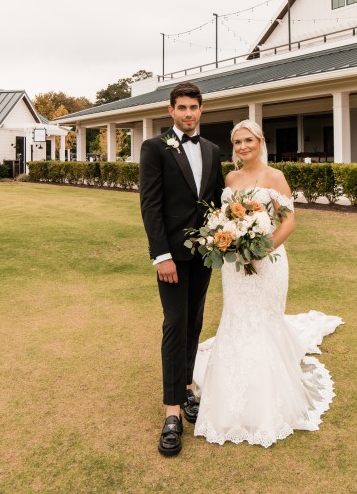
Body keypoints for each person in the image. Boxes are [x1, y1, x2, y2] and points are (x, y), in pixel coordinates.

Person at [193, 119, 343, 447]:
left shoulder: (275, 177)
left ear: (261, 141)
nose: (243, 146)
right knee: (236, 319)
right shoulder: (230, 178)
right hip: (234, 266)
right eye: (237, 142)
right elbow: (224, 219)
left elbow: (288, 221)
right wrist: (230, 242)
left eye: (249, 140)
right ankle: (232, 394)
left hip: (268, 263)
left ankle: (268, 399)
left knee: (264, 321)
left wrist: (261, 249)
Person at [139, 81, 224, 456]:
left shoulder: (212, 150)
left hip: (204, 255)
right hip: (171, 256)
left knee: (194, 322)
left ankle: (187, 387)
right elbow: (150, 204)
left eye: (194, 107)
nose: (188, 113)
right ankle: (172, 411)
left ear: (201, 110)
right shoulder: (154, 148)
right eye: (182, 107)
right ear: (170, 110)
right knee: (175, 324)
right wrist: (161, 255)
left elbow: (217, 201)